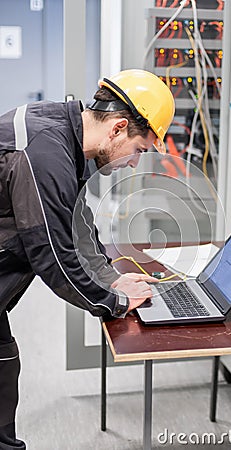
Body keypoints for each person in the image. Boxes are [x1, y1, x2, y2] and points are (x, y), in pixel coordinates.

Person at [0, 68, 175, 449]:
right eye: (139, 150)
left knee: (3, 366)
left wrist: (111, 278)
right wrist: (114, 302)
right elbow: (53, 256)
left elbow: (77, 223)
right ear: (118, 127)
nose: (133, 163)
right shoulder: (44, 153)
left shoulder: (67, 134)